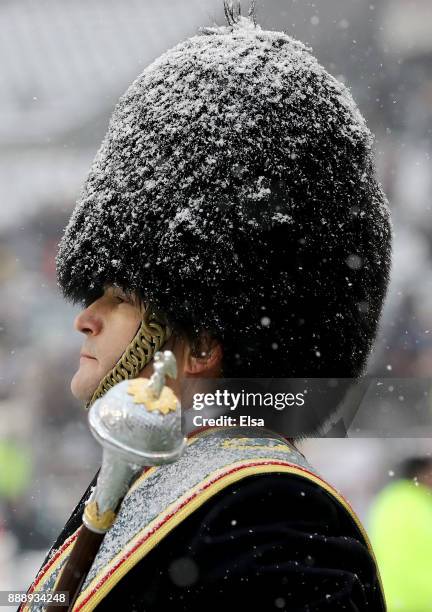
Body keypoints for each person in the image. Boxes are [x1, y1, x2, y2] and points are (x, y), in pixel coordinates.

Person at [23, 1, 391, 609]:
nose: (83, 318)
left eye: (118, 298)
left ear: (199, 345)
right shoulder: (159, 487)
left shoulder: (269, 522)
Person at [368, 456, 432, 611]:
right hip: (424, 600)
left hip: (389, 599)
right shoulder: (424, 505)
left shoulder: (385, 500)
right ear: (421, 475)